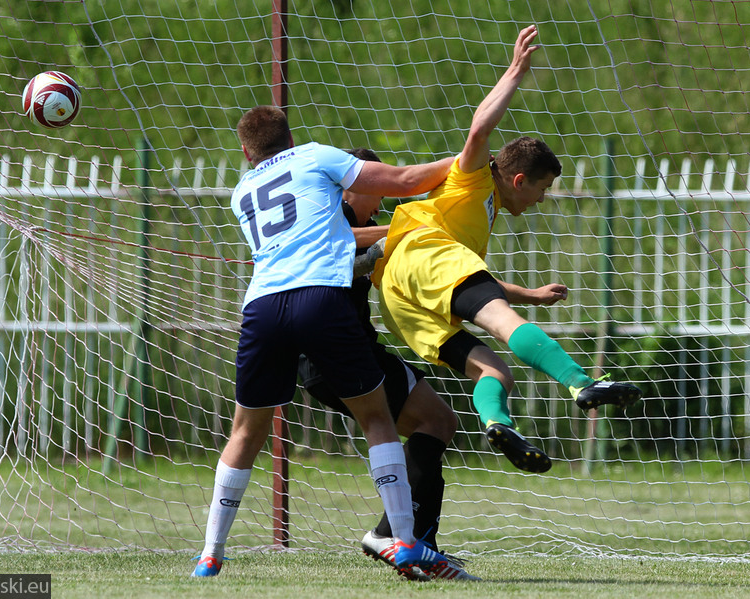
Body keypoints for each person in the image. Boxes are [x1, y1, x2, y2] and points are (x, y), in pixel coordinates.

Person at [191, 106, 457, 581]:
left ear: (246, 151)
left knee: (244, 433)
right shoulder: (314, 157)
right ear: (291, 138)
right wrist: (467, 161)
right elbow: (404, 178)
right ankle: (404, 544)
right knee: (377, 417)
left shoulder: (242, 191)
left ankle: (210, 553)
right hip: (320, 298)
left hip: (262, 307)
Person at [370, 25, 642, 473]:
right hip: (423, 254)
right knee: (504, 323)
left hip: (400, 299)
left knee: (494, 372)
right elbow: (478, 130)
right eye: (542, 188)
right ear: (519, 179)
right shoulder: (474, 179)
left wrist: (531, 294)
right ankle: (579, 383)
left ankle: (498, 422)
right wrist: (515, 72)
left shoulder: (484, 214)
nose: (541, 199)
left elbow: (466, 284)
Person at [297, 148, 479, 581]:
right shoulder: (331, 218)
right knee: (436, 422)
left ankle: (406, 540)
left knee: (435, 423)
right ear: (353, 186)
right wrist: (405, 226)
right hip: (339, 353)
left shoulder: (344, 225)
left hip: (334, 357)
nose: (380, 200)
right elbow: (343, 245)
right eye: (375, 191)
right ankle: (406, 542)